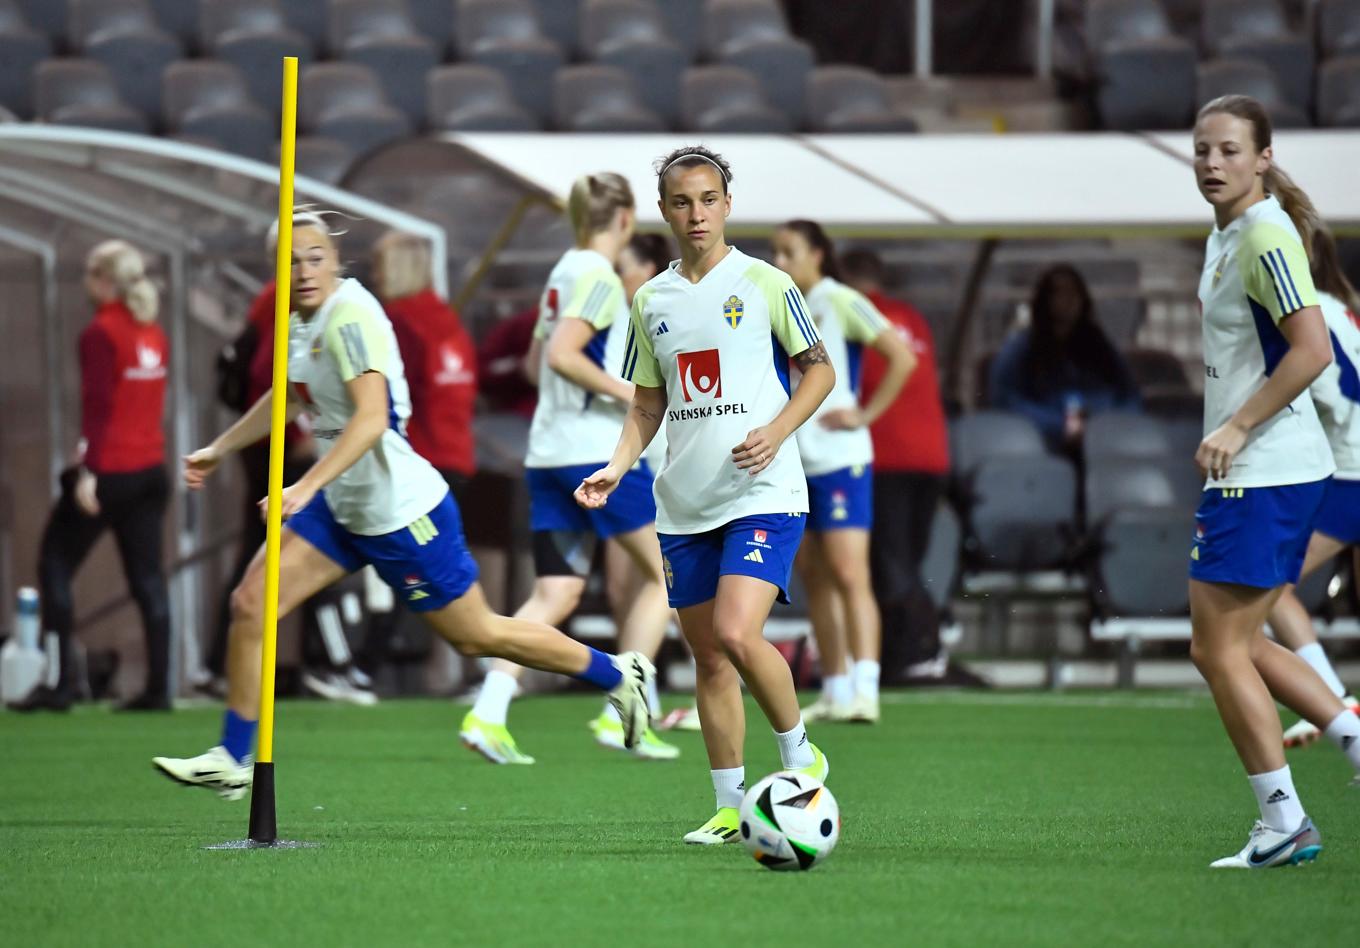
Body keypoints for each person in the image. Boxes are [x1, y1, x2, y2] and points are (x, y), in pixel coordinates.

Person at [151, 208, 654, 800]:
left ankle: (619, 675)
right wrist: (219, 447)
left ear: (337, 261)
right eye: (291, 261)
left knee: (478, 635)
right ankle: (233, 757)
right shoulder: (299, 320)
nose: (305, 269)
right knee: (249, 604)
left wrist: (302, 487)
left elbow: (369, 420)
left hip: (399, 510)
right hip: (343, 502)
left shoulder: (351, 316)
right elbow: (288, 393)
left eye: (315, 257)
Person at [576, 146, 835, 844]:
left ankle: (799, 756)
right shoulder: (650, 299)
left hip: (762, 491)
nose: (697, 213)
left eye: (709, 198)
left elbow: (818, 372)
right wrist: (616, 465)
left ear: (727, 203)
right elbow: (645, 406)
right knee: (709, 657)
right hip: (683, 503)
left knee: (733, 631)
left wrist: (778, 431)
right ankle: (730, 805)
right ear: (664, 209)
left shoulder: (765, 283)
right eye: (683, 201)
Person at [1187, 95, 1360, 869]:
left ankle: (1283, 820)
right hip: (1262, 472)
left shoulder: (1262, 234)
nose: (1213, 163)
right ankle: (1352, 737)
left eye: (1229, 150)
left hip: (1263, 471)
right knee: (1238, 640)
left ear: (1263, 159)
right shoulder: (1230, 232)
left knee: (1217, 648)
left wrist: (1237, 425)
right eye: (1202, 151)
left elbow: (1313, 349)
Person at [460, 175, 679, 764]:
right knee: (669, 574)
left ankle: (489, 711)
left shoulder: (563, 272)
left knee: (555, 590)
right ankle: (625, 714)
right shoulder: (600, 278)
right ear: (627, 220)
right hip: (595, 454)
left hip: (548, 453)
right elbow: (560, 357)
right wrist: (631, 393)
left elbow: (536, 363)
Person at [15, 240, 172, 713]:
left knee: (54, 562)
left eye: (89, 273)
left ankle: (60, 684)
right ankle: (159, 689)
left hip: (110, 470)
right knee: (148, 579)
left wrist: (86, 472)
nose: (84, 282)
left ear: (106, 280)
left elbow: (99, 409)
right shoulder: (153, 333)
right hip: (151, 471)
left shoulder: (101, 332)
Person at [771, 222, 915, 724]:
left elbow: (900, 355)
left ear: (818, 254)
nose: (781, 262)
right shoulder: (782, 305)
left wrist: (865, 414)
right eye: (776, 252)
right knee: (815, 575)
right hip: (797, 457)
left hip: (839, 458)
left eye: (790, 252)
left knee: (852, 573)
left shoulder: (841, 300)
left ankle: (867, 689)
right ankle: (834, 688)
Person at [840, 248, 956, 683]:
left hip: (886, 455)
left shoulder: (857, 316)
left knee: (889, 564)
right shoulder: (911, 317)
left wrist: (862, 418)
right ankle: (901, 653)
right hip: (931, 457)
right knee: (904, 560)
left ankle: (920, 648)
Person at [1270, 226, 1360, 746]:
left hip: (1349, 475)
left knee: (1270, 584)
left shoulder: (1302, 316)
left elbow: (1309, 380)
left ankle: (1330, 699)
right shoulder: (1344, 309)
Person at [989, 264, 1140, 451]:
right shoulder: (1021, 348)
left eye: (1075, 292)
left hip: (1105, 440)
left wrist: (1115, 422)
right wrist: (1059, 425)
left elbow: (1129, 393)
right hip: (1044, 441)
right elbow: (1006, 399)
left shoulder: (1100, 345)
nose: (1069, 300)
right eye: (1059, 292)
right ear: (1045, 299)